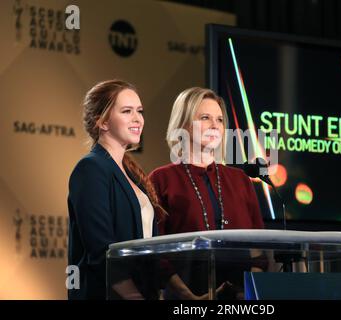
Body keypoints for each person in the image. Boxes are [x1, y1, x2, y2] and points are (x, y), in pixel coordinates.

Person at [149, 87, 266, 299]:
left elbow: (259, 248)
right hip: (185, 300)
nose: (215, 126)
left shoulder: (240, 179)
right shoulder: (161, 179)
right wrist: (189, 297)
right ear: (183, 124)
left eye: (220, 120)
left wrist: (246, 293)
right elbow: (157, 252)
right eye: (205, 118)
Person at [67, 80, 163, 300]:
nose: (138, 119)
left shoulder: (131, 174)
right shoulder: (90, 169)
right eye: (127, 111)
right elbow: (102, 252)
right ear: (102, 122)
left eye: (139, 111)